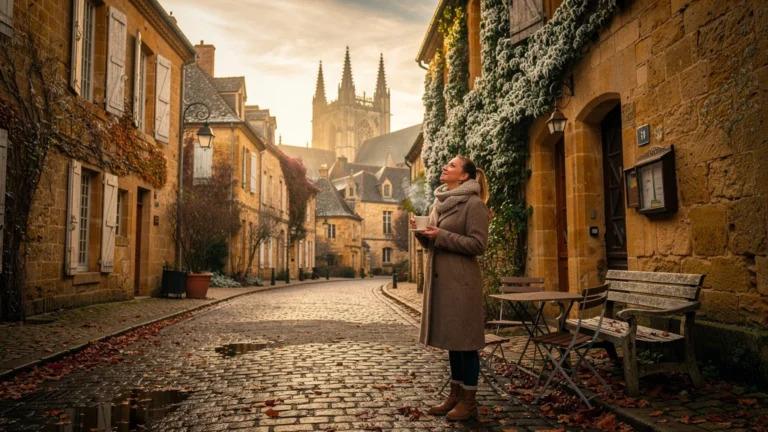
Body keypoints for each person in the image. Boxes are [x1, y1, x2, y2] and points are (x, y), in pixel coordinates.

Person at [411, 156, 490, 421]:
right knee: (453, 344)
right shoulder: (440, 204)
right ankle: (454, 396)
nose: (445, 167)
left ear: (464, 176)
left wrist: (441, 236)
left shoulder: (474, 204)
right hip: (443, 284)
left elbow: (478, 245)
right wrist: (423, 235)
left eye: (452, 165)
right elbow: (434, 245)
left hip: (462, 284)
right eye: (446, 164)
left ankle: (469, 402)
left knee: (466, 344)